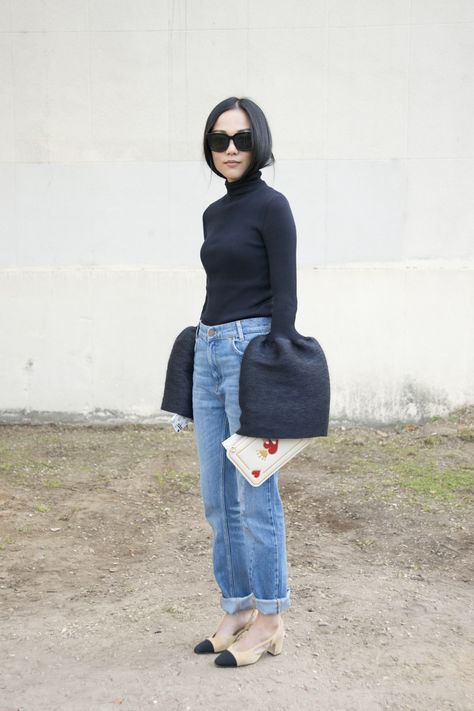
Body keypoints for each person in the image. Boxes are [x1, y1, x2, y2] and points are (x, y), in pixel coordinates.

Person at [192, 96, 299, 668]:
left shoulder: (272, 206)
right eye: (219, 139)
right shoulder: (214, 213)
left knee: (254, 491)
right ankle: (236, 607)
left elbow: (286, 298)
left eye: (240, 138)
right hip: (210, 349)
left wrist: (273, 371)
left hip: (251, 353)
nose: (230, 149)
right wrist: (199, 346)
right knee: (217, 495)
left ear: (258, 141)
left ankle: (272, 618)